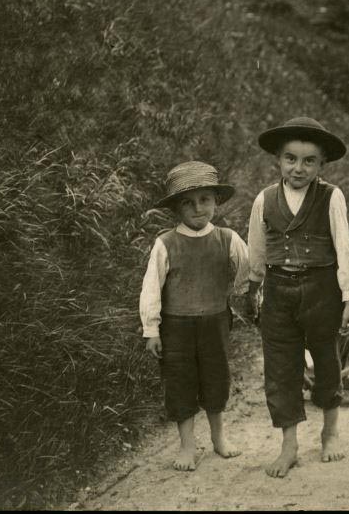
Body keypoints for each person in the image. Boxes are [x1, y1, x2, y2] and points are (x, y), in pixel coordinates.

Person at [246, 116, 349, 478]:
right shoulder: (264, 199)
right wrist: (254, 289)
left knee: (327, 360)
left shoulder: (331, 196)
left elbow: (344, 249)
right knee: (280, 368)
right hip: (278, 291)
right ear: (278, 160)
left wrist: (348, 299)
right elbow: (256, 250)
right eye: (291, 159)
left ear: (322, 164)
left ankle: (330, 432)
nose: (299, 168)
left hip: (321, 289)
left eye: (309, 161)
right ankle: (289, 445)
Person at [139, 161, 250, 471]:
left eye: (205, 199)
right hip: (176, 327)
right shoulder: (166, 243)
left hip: (215, 322)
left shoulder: (227, 238)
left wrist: (240, 293)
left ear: (216, 201)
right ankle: (187, 445)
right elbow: (151, 288)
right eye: (188, 202)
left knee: (216, 378)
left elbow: (247, 268)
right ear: (177, 207)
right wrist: (152, 329)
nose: (198, 208)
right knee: (180, 381)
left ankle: (218, 438)